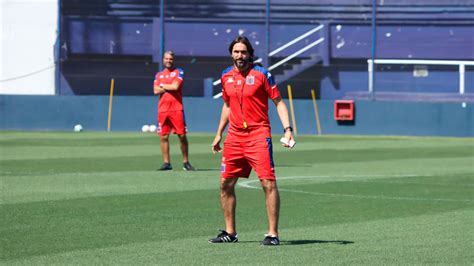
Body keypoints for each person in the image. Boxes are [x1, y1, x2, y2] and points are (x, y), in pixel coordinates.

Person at [209, 36, 295, 246]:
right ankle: (230, 232)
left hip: (258, 136)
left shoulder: (262, 74)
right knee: (225, 184)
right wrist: (219, 133)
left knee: (268, 183)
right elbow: (227, 106)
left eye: (244, 52)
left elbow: (279, 103)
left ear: (250, 54)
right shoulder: (225, 76)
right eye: (237, 52)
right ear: (232, 53)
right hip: (235, 137)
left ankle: (272, 234)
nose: (240, 56)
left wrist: (288, 129)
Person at [153, 51, 195, 171]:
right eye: (166, 59)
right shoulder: (158, 75)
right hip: (162, 110)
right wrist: (167, 86)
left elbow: (175, 87)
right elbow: (155, 91)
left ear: (173, 60)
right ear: (163, 60)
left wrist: (162, 86)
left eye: (170, 59)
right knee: (163, 137)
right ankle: (167, 163)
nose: (168, 61)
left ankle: (186, 162)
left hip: (176, 109)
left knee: (182, 136)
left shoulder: (179, 72)